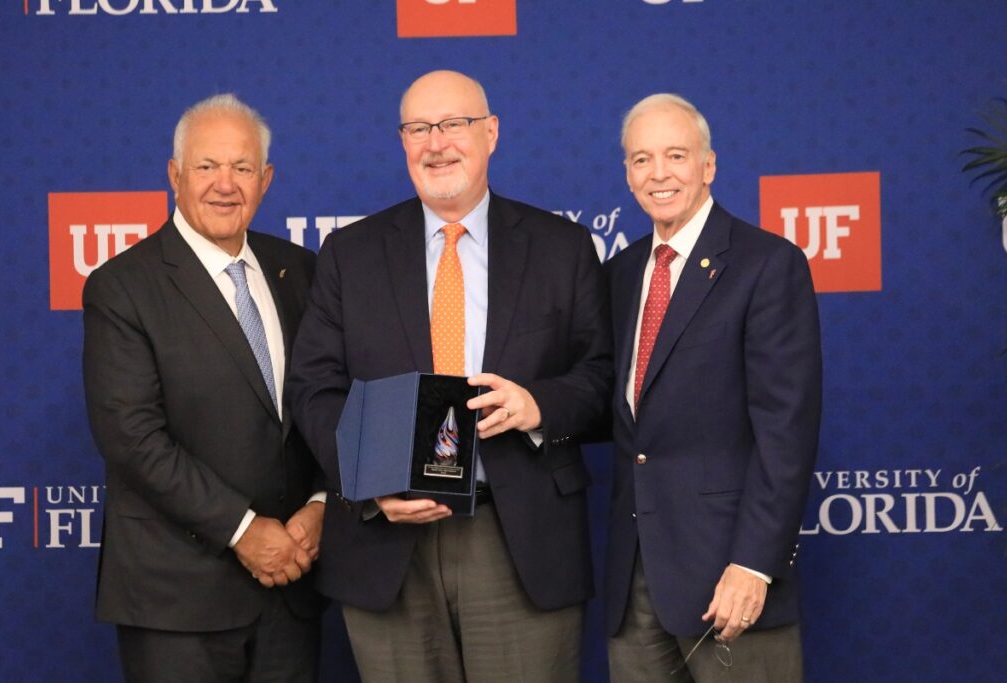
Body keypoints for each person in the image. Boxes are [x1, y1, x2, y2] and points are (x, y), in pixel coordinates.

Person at [287, 70, 612, 683]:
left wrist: (538, 404)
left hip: (518, 539)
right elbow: (314, 388)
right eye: (418, 128)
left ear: (490, 132)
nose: (436, 143)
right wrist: (366, 481)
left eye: (454, 124)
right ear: (403, 141)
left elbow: (603, 379)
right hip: (386, 540)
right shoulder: (348, 255)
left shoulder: (561, 247)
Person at [82, 93, 324, 683]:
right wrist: (244, 530)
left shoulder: (301, 270)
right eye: (206, 167)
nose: (225, 184)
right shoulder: (122, 287)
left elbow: (329, 401)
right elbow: (131, 436)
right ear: (174, 175)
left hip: (293, 590)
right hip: (177, 599)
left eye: (242, 168)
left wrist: (323, 506)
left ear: (265, 180)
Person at [603, 93, 822, 682]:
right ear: (626, 174)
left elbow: (787, 432)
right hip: (633, 581)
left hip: (729, 579)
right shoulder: (621, 274)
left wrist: (754, 563)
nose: (659, 173)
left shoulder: (767, 264)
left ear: (709, 165)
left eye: (676, 155)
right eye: (641, 159)